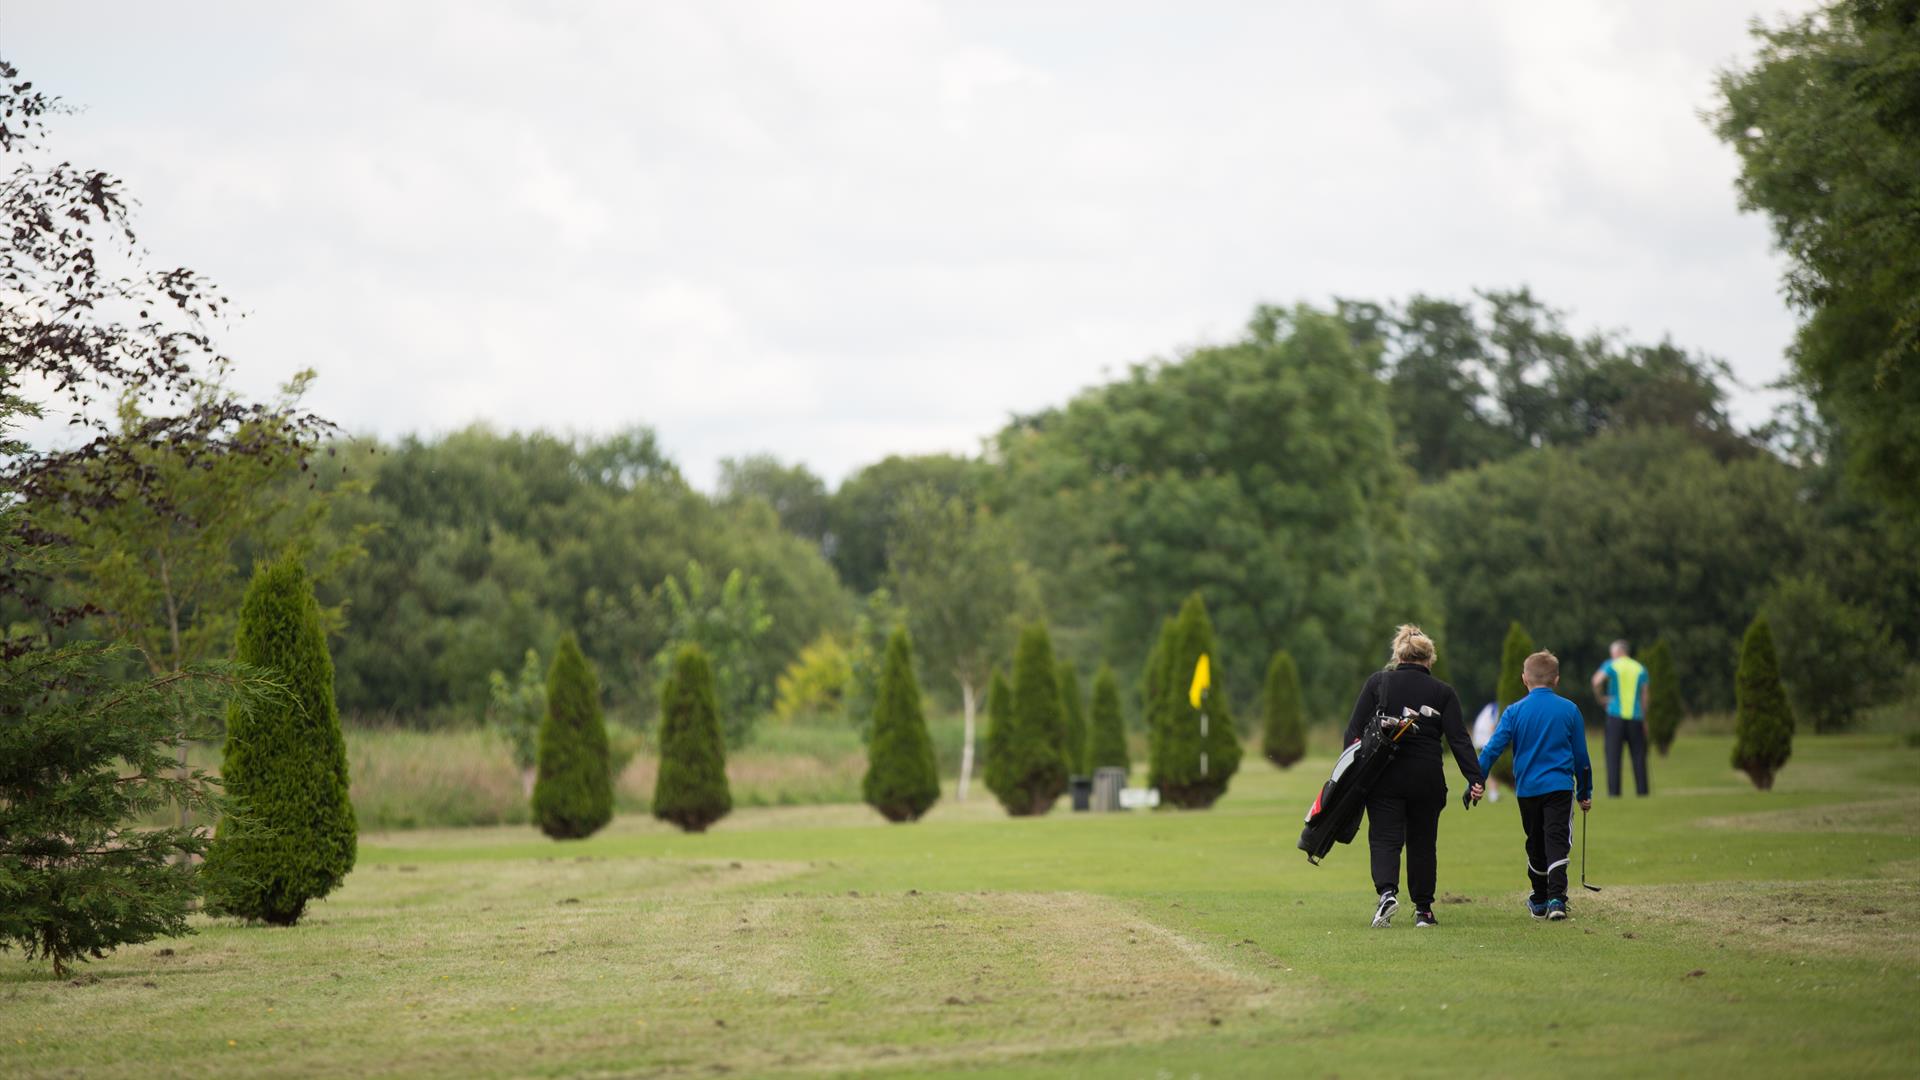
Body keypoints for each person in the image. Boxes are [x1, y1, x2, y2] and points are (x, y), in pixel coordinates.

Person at [1343, 625, 1484, 929]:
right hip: (1427, 779)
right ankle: (1424, 910)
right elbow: (1459, 740)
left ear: (1398, 654)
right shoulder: (1443, 692)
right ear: (1429, 659)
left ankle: (1387, 894)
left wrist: (1349, 775)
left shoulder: (1378, 683)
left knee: (1384, 839)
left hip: (1384, 777)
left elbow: (1353, 733)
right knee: (1423, 842)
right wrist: (1475, 778)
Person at [1475, 650, 1593, 921]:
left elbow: (1492, 749)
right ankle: (1556, 899)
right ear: (1557, 679)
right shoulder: (1570, 710)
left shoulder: (1514, 711)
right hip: (1560, 787)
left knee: (1535, 842)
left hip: (1526, 789)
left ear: (1524, 678)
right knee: (1557, 840)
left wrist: (1476, 780)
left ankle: (1539, 898)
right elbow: (1582, 759)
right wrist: (1584, 792)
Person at [1590, 639, 1650, 797]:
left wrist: (1601, 698)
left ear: (1616, 652)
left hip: (1615, 715)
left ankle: (1614, 793)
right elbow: (1645, 695)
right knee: (1638, 756)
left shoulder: (1611, 664)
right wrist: (1644, 717)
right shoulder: (1640, 668)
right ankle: (1642, 791)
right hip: (1636, 716)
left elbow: (1596, 681)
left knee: (1613, 756)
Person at [1471, 699, 1502, 802]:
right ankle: (1493, 793)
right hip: (1485, 740)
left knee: (1489, 769)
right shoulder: (1496, 708)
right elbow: (1493, 727)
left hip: (1479, 739)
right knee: (1493, 769)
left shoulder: (1491, 707)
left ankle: (1493, 793)